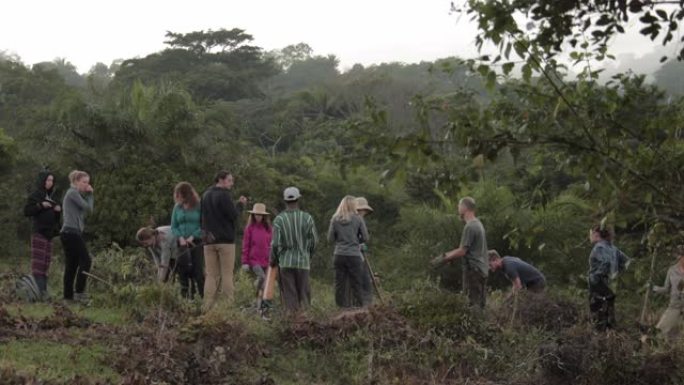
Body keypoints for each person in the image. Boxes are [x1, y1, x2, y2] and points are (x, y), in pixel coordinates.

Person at [200, 171, 247, 309]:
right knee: (227, 274)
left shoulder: (205, 195)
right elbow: (233, 215)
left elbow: (201, 218)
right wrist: (240, 204)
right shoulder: (224, 195)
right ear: (220, 180)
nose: (231, 184)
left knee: (211, 275)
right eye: (229, 180)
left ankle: (207, 306)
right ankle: (228, 307)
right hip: (225, 241)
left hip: (208, 241)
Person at [270, 186, 318, 312]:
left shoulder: (279, 219)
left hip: (285, 262)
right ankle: (306, 324)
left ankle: (292, 324)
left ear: (285, 201)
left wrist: (274, 259)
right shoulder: (307, 218)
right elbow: (314, 241)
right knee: (304, 296)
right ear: (298, 199)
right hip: (303, 262)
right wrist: (308, 255)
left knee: (290, 297)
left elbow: (275, 244)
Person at [435, 197, 488, 308]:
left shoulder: (470, 227)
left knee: (472, 305)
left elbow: (462, 251)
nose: (457, 208)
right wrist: (447, 255)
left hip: (473, 271)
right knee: (480, 305)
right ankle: (481, 324)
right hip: (481, 270)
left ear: (464, 208)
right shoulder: (478, 224)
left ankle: (475, 324)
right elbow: (464, 249)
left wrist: (444, 258)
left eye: (459, 205)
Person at [23, 171, 62, 300]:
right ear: (42, 181)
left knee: (46, 264)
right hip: (39, 232)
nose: (50, 183)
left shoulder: (52, 197)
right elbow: (27, 211)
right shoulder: (36, 195)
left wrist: (57, 211)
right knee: (38, 264)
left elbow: (55, 219)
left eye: (52, 180)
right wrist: (40, 205)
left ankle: (43, 293)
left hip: (49, 234)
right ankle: (36, 293)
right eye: (48, 180)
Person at [328, 196, 370, 308]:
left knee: (339, 284)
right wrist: (356, 239)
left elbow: (330, 238)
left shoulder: (335, 219)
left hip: (339, 254)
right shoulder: (358, 219)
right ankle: (359, 308)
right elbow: (365, 237)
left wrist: (341, 239)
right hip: (354, 255)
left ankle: (341, 308)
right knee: (356, 282)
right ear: (353, 205)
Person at [587, 224, 629, 331]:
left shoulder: (599, 247)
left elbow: (605, 262)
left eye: (590, 234)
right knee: (609, 317)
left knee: (598, 317)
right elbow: (627, 261)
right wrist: (616, 274)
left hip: (598, 285)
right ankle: (610, 341)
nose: (589, 236)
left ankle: (600, 342)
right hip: (609, 285)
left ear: (596, 234)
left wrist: (597, 276)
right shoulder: (613, 248)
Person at [60, 170, 94, 303]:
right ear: (76, 182)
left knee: (72, 265)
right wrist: (90, 194)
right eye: (84, 182)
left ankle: (68, 297)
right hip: (70, 233)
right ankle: (79, 292)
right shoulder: (72, 192)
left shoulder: (77, 194)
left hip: (71, 233)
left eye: (88, 182)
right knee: (86, 260)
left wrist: (87, 195)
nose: (87, 185)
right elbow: (88, 208)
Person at [171, 182, 204, 299]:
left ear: (186, 195)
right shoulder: (177, 208)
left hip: (195, 242)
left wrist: (193, 236)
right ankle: (185, 298)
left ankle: (201, 297)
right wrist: (180, 237)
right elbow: (173, 226)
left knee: (197, 271)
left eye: (179, 195)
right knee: (183, 272)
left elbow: (203, 225)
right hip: (181, 243)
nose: (177, 197)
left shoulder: (198, 206)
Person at [241, 203, 272, 303]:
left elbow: (271, 244)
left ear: (264, 216)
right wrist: (244, 261)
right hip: (254, 260)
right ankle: (256, 294)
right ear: (253, 215)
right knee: (261, 277)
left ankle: (260, 302)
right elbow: (246, 245)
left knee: (266, 283)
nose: (258, 216)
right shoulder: (249, 228)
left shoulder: (268, 229)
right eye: (256, 214)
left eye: (260, 214)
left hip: (266, 259)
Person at [652, 245, 684, 342]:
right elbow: (666, 289)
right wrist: (654, 288)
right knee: (661, 330)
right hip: (675, 305)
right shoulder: (672, 270)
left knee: (680, 336)